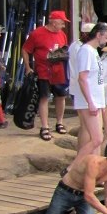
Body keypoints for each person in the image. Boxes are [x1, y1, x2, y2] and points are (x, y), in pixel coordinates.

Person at [22, 10, 70, 140]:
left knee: (61, 97)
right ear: (54, 22)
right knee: (44, 98)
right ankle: (44, 126)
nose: (63, 26)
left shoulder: (62, 35)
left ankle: (59, 122)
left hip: (59, 71)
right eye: (62, 22)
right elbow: (25, 50)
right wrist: (28, 67)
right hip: (44, 71)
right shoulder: (37, 33)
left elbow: (65, 50)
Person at [73, 22, 107, 158]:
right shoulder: (86, 51)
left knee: (96, 139)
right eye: (106, 38)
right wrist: (90, 102)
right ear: (98, 35)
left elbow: (96, 79)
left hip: (97, 99)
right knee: (97, 139)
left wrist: (101, 103)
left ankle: (93, 170)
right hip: (88, 100)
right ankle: (73, 167)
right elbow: (82, 78)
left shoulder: (93, 51)